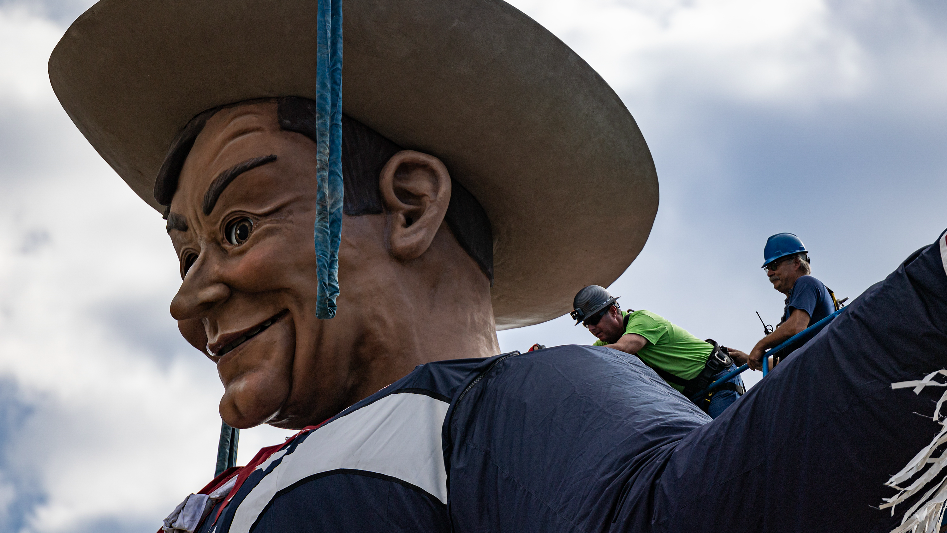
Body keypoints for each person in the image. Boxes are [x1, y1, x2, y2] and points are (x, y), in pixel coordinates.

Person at [50, 0, 947, 532]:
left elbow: (689, 512)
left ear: (409, 204)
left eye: (237, 229)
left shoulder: (502, 408)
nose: (188, 297)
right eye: (187, 252)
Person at [571, 285, 744, 418]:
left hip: (718, 380)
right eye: (586, 324)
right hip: (693, 398)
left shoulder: (642, 319)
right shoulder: (603, 346)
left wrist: (576, 356)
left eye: (594, 319)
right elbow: (583, 363)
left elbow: (625, 348)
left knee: (725, 440)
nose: (591, 328)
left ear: (613, 310)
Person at [730, 233, 837, 371]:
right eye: (767, 268)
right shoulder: (797, 301)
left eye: (774, 265)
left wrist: (761, 345)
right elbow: (786, 365)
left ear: (796, 263)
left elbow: (797, 326)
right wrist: (748, 360)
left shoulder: (806, 282)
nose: (769, 273)